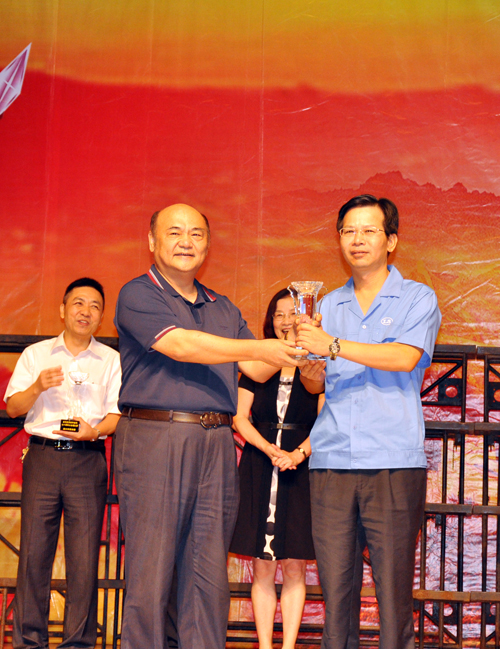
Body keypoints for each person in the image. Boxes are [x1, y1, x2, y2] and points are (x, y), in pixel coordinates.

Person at [113, 203, 306, 649]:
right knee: (151, 571)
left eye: (197, 234)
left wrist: (296, 340)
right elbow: (182, 345)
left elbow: (256, 370)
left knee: (207, 572)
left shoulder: (223, 306)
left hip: (217, 441)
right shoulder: (138, 293)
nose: (186, 242)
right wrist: (260, 347)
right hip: (156, 437)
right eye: (175, 232)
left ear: (207, 245)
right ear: (152, 241)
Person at [297, 194, 441, 649]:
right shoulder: (327, 304)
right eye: (348, 231)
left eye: (368, 230)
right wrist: (311, 368)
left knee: (393, 593)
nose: (357, 240)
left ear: (391, 240)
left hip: (392, 461)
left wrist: (332, 345)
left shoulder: (418, 297)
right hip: (332, 460)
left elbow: (404, 357)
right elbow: (316, 385)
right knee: (336, 594)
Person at [4, 277, 121, 649]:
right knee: (33, 554)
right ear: (63, 309)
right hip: (42, 457)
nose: (86, 312)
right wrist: (37, 387)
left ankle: (78, 643)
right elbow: (13, 407)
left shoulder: (111, 361)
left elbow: (118, 415)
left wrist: (94, 431)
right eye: (78, 303)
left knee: (84, 558)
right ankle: (29, 641)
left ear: (102, 316)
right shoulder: (36, 355)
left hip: (87, 460)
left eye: (95, 306)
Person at [230, 288, 322, 649]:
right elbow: (240, 417)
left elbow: (326, 420)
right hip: (260, 463)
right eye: (279, 314)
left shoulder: (316, 364)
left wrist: (297, 454)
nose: (286, 321)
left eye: (292, 313)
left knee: (296, 564)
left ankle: (289, 646)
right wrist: (268, 448)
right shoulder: (259, 362)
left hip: (301, 467)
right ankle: (266, 645)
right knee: (263, 565)